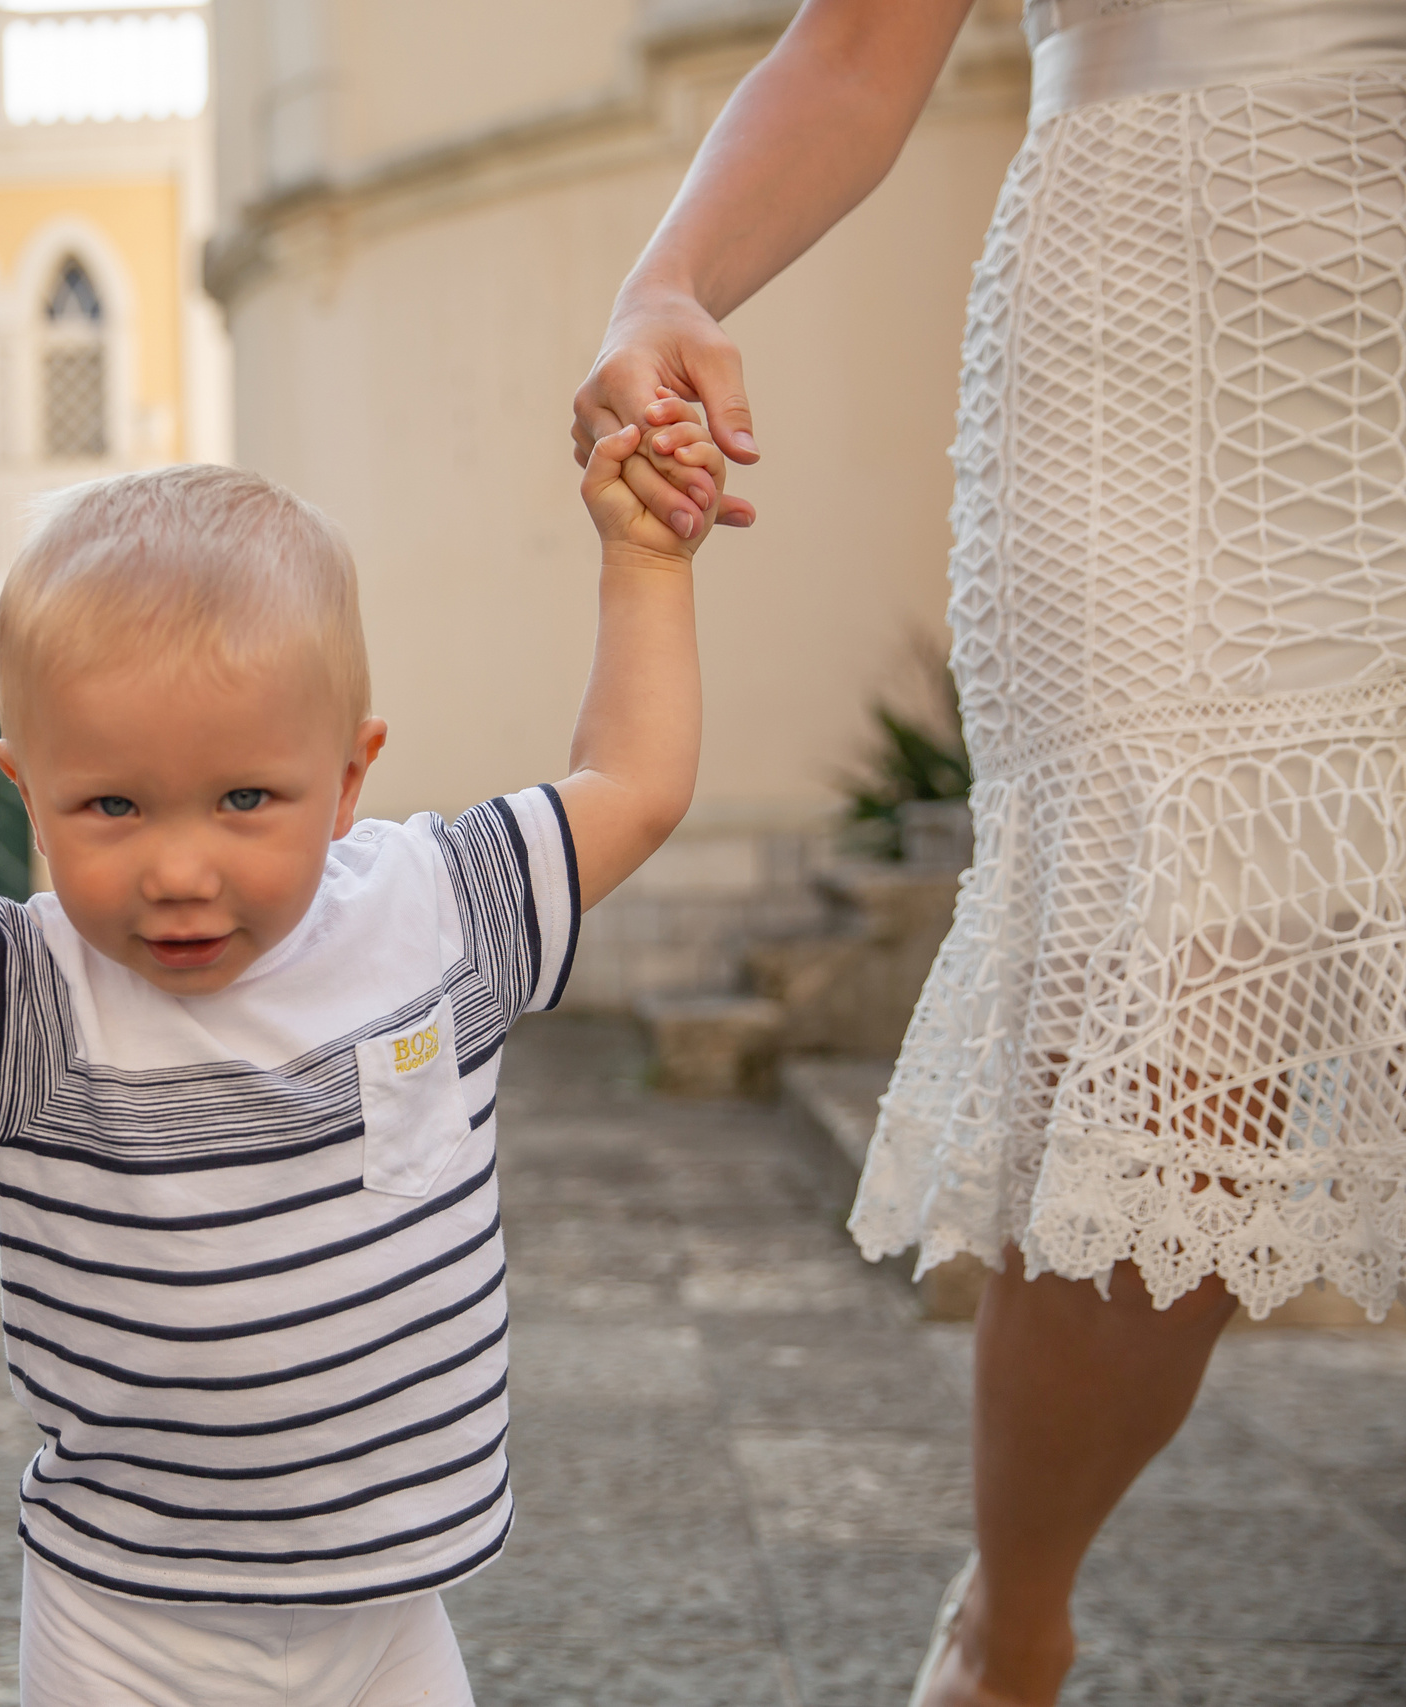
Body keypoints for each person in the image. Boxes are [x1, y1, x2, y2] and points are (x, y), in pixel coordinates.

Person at [572, 2, 1406, 1703]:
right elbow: (863, 44)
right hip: (1153, 328)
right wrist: (669, 286)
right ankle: (1013, 1620)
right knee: (1171, 1074)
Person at [0, 400, 726, 1699]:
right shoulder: (31, 997)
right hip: (126, 1630)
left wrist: (647, 563)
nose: (181, 868)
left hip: (392, 1624)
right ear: (29, 792)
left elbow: (636, 782)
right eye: (111, 806)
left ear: (349, 779)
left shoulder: (440, 912)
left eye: (247, 799)